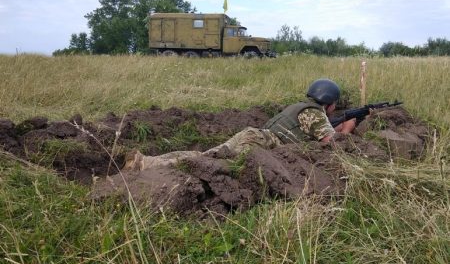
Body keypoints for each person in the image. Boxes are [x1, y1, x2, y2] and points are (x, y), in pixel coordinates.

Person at [123, 78, 356, 170]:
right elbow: (331, 143)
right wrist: (347, 128)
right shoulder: (315, 114)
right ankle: (146, 167)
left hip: (254, 136)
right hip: (258, 144)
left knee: (206, 154)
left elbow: (318, 132)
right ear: (329, 103)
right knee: (209, 163)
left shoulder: (302, 108)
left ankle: (147, 161)